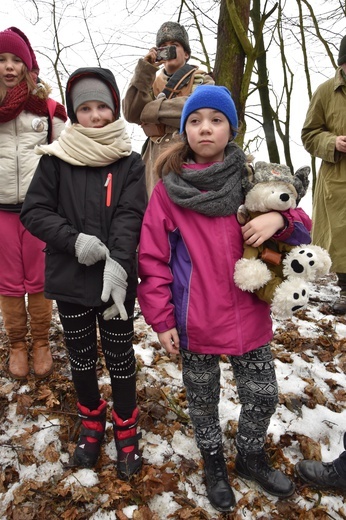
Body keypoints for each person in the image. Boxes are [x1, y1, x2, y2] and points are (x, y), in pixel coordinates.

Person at [137, 85, 296, 512]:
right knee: (203, 399)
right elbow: (152, 260)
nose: (205, 128)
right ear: (184, 129)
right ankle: (213, 462)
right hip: (196, 319)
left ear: (232, 127)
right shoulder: (169, 192)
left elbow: (301, 226)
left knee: (262, 395)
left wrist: (278, 217)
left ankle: (249, 457)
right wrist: (162, 319)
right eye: (195, 120)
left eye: (216, 119)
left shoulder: (253, 182)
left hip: (249, 313)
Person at [20, 67, 147, 479]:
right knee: (81, 358)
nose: (95, 115)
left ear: (113, 111)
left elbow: (131, 216)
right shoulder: (57, 159)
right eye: (86, 109)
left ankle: (126, 427)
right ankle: (92, 424)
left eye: (102, 108)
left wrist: (119, 265)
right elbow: (34, 211)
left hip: (116, 285)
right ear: (75, 115)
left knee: (120, 357)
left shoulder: (129, 162)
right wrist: (74, 240)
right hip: (70, 280)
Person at [0, 26, 67, 380]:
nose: (9, 67)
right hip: (0, 212)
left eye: (16, 60)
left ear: (29, 67)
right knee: (8, 282)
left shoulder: (49, 110)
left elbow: (72, 154)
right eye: (1, 59)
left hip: (39, 211)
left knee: (40, 279)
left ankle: (40, 342)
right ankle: (16, 344)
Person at [122, 21, 214, 196]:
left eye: (174, 45)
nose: (168, 49)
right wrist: (144, 69)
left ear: (186, 53)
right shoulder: (149, 81)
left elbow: (200, 110)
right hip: (153, 158)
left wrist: (151, 111)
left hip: (187, 154)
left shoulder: (201, 79)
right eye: (163, 46)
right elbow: (131, 113)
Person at [301, 34, 346, 315]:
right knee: (342, 235)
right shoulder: (326, 91)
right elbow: (309, 134)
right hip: (338, 177)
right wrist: (333, 143)